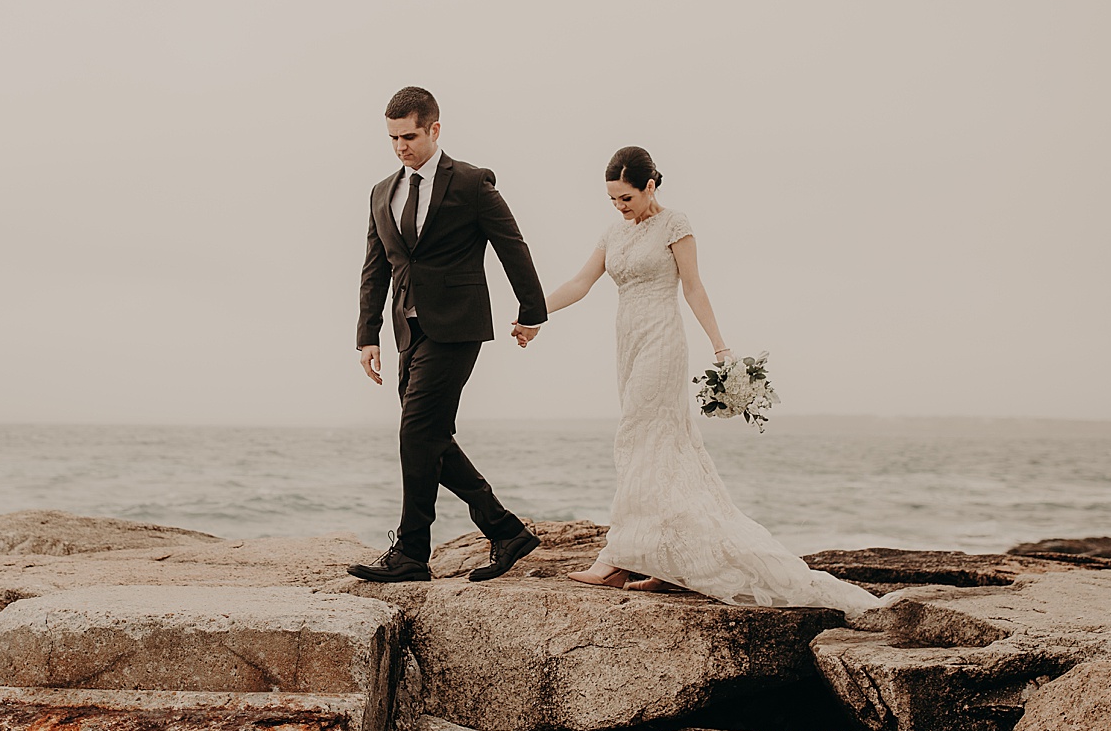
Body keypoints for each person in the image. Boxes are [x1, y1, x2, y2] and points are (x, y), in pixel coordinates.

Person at [539, 146, 881, 617]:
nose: (619, 206)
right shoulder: (612, 233)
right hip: (628, 343)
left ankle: (616, 559)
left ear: (649, 186)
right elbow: (580, 283)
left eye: (626, 198)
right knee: (662, 447)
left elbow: (694, 286)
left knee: (638, 436)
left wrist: (721, 348)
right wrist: (535, 314)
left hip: (662, 341)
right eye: (613, 199)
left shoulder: (675, 224)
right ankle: (662, 561)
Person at [350, 86, 547, 584]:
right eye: (392, 137)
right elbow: (375, 269)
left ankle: (412, 552)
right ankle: (505, 530)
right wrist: (367, 334)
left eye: (409, 136)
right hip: (406, 331)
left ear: (434, 129)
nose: (400, 147)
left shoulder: (472, 183)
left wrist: (532, 311)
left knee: (417, 432)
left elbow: (512, 246)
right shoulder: (381, 192)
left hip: (457, 327)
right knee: (430, 438)